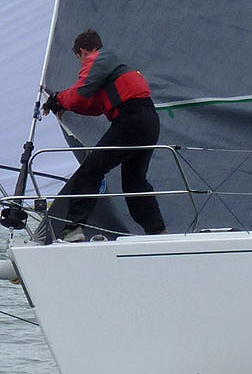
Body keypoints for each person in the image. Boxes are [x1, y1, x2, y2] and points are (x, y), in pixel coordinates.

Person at [44, 30, 166, 238]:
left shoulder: (98, 59)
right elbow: (94, 106)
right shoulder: (113, 66)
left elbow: (80, 93)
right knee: (135, 181)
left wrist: (57, 98)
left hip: (131, 121)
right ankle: (157, 231)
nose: (82, 65)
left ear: (83, 52)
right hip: (149, 121)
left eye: (79, 59)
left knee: (90, 170)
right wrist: (63, 104)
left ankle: (73, 229)